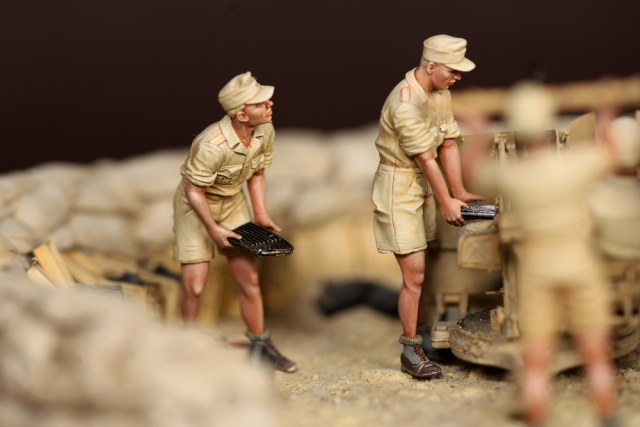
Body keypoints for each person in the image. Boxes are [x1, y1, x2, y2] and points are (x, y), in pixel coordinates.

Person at [468, 82, 625, 426]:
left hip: (536, 268)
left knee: (537, 356)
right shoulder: (574, 166)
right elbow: (612, 156)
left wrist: (478, 128)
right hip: (578, 263)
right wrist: (606, 114)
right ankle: (607, 414)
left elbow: (474, 171)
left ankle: (537, 416)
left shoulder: (513, 176)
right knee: (594, 349)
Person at [371, 34, 482, 379]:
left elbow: (448, 143)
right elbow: (425, 158)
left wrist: (459, 191)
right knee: (415, 274)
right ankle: (410, 349)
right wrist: (445, 200)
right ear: (431, 66)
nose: (458, 76)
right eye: (453, 70)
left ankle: (422, 335)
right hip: (399, 187)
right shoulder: (404, 104)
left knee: (427, 267)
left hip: (423, 184)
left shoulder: (440, 93)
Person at [173, 71, 296, 373]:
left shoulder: (264, 131)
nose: (270, 105)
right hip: (195, 208)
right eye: (260, 103)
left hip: (232, 204)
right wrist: (213, 229)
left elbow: (258, 173)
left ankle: (260, 343)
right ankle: (185, 347)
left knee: (249, 279)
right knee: (195, 286)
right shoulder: (211, 144)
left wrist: (260, 213)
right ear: (241, 113)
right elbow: (193, 190)